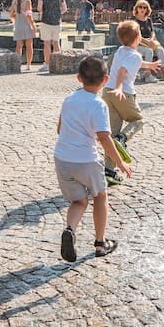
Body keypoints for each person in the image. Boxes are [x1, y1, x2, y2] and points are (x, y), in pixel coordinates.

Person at [56, 56, 132, 261]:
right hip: (86, 159)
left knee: (79, 200)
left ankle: (70, 229)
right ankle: (100, 242)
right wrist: (119, 162)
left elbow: (59, 129)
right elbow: (104, 137)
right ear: (106, 79)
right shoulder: (99, 104)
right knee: (100, 196)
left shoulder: (69, 99)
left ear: (78, 78)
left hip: (62, 158)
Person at [100, 20, 160, 187]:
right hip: (123, 93)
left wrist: (151, 65)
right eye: (139, 33)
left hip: (107, 93)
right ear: (136, 37)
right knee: (138, 120)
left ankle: (109, 171)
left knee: (110, 133)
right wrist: (120, 87)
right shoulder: (134, 55)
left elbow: (134, 63)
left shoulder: (121, 50)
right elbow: (122, 71)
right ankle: (122, 138)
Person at [131, 0, 164, 82]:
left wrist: (151, 39)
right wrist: (147, 42)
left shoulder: (148, 20)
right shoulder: (134, 21)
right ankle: (148, 75)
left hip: (149, 42)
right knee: (149, 51)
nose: (142, 9)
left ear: (147, 9)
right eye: (140, 7)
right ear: (137, 8)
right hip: (138, 44)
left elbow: (152, 32)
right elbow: (136, 36)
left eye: (145, 7)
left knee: (160, 50)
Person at [36, 0, 67, 72]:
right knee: (56, 43)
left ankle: (47, 64)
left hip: (46, 22)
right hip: (57, 22)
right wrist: (57, 13)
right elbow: (64, 9)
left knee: (47, 43)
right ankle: (58, 63)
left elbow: (39, 8)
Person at [10, 0, 37, 71]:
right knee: (29, 46)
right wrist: (33, 26)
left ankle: (17, 64)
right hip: (27, 26)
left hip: (18, 26)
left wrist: (16, 20)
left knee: (18, 46)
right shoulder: (27, 1)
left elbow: (11, 15)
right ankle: (28, 65)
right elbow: (29, 15)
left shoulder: (14, 1)